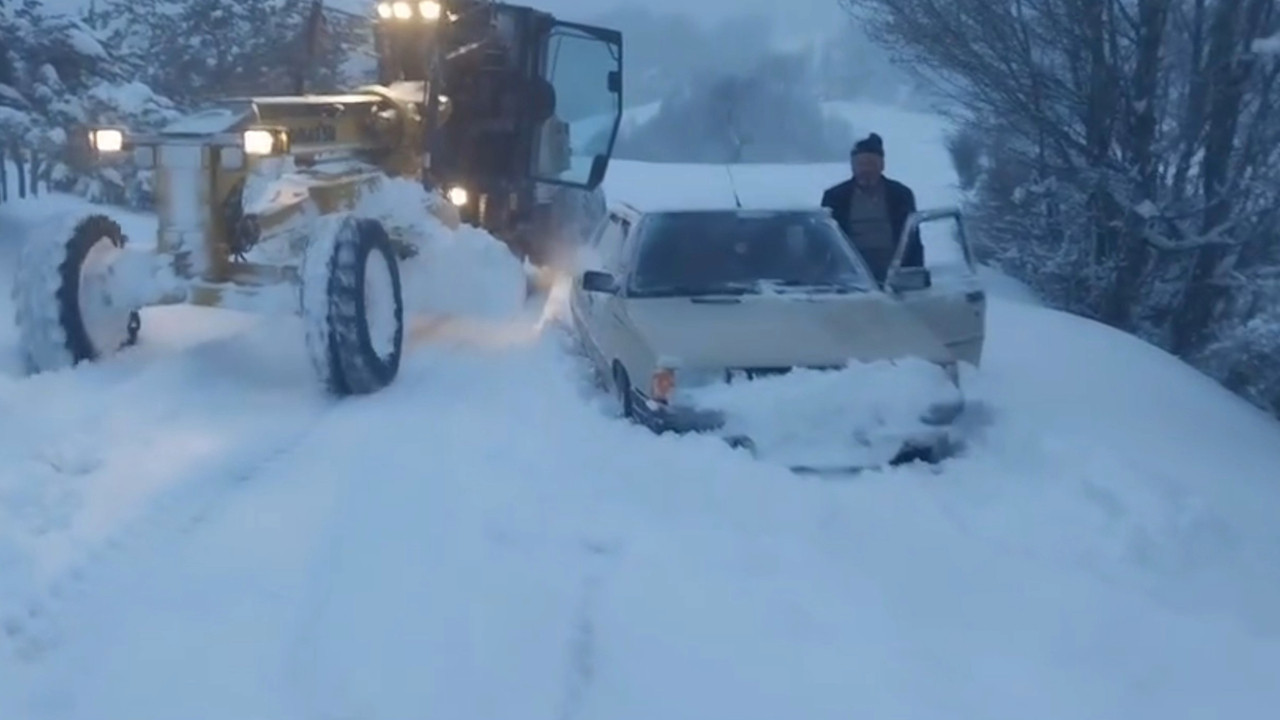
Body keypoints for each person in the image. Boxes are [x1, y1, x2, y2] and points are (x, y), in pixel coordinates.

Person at [820, 133, 923, 283]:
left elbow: (913, 241)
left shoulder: (901, 195)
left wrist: (914, 276)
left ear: (882, 165)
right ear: (852, 166)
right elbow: (825, 241)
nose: (866, 169)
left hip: (894, 274)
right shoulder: (835, 197)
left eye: (871, 164)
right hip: (850, 276)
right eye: (861, 164)